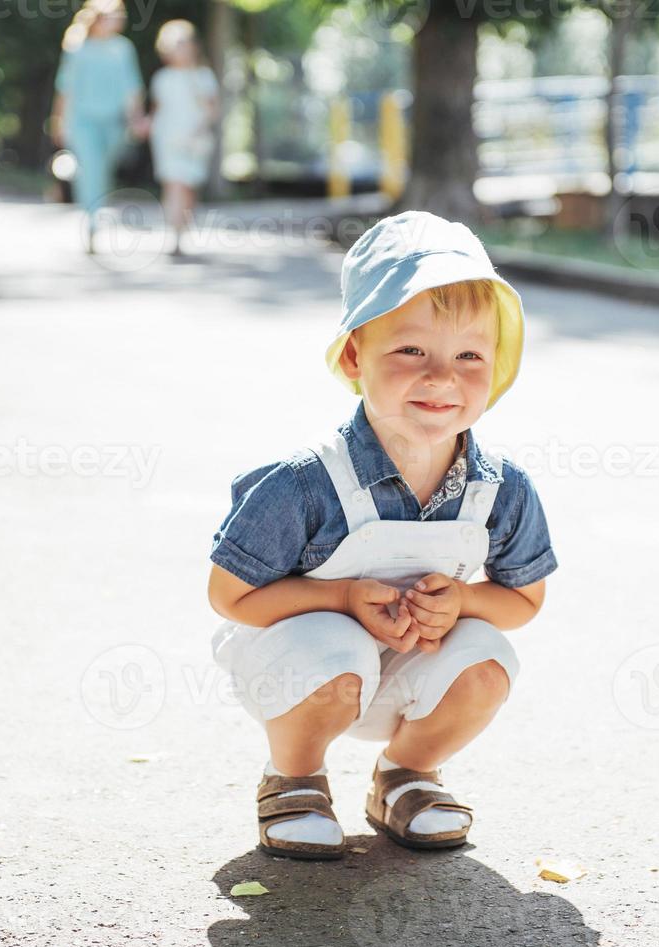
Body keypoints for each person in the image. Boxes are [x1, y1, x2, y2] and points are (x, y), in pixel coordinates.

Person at [207, 211, 558, 860]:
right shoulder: (306, 482)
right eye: (410, 350)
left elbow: (525, 600)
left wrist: (465, 600)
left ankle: (406, 775)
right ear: (353, 354)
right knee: (335, 653)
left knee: (485, 663)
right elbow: (230, 596)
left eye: (469, 356)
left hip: (410, 671)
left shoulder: (500, 488)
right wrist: (341, 598)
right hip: (305, 671)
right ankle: (295, 776)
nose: (442, 376)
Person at [50, 0, 146, 254]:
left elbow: (133, 89)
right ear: (99, 18)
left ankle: (96, 209)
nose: (120, 19)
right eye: (115, 15)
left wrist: (137, 118)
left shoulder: (123, 49)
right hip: (83, 122)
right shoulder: (78, 49)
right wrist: (58, 120)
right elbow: (65, 89)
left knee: (102, 170)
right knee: (91, 169)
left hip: (113, 123)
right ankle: (92, 222)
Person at [148, 20, 220, 257]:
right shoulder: (162, 78)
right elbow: (157, 111)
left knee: (188, 187)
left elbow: (212, 110)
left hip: (194, 140)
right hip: (168, 138)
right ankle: (174, 235)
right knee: (174, 183)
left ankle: (181, 230)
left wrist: (198, 129)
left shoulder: (203, 76)